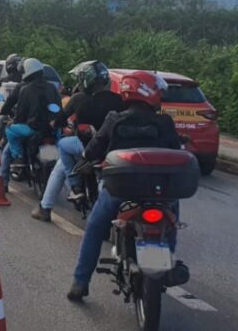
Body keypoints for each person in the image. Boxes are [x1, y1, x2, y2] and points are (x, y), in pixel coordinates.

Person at [67, 70, 186, 301]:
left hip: (120, 191)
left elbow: (93, 150)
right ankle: (168, 259)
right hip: (158, 193)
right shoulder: (164, 121)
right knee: (172, 219)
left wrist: (87, 158)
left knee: (94, 228)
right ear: (148, 92)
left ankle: (80, 282)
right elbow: (176, 151)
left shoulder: (114, 119)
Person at [31, 60, 124, 222]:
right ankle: (46, 206)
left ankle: (73, 188)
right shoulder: (119, 99)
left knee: (63, 147)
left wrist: (54, 124)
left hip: (87, 146)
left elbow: (60, 118)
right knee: (60, 166)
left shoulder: (79, 98)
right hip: (113, 148)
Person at [0, 58, 61, 189]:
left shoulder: (25, 89)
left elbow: (20, 114)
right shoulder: (52, 87)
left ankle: (14, 165)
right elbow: (58, 108)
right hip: (52, 129)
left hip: (32, 128)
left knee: (8, 138)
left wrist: (12, 121)